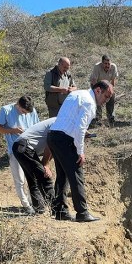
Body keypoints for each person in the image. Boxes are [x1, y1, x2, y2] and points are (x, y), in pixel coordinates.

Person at [47, 80, 114, 222]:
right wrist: (80, 152)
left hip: (53, 136)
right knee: (77, 174)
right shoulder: (90, 103)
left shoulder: (78, 94)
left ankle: (60, 211)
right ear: (98, 90)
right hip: (65, 140)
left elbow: (71, 119)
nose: (106, 100)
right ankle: (82, 213)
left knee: (62, 175)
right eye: (106, 96)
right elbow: (80, 129)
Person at [0, 95, 40, 215]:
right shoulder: (6, 110)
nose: (25, 114)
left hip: (30, 149)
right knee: (20, 179)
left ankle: (35, 202)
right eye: (23, 111)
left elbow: (37, 127)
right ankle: (26, 205)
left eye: (27, 112)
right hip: (14, 150)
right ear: (18, 105)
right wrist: (13, 130)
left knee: (33, 177)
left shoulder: (32, 111)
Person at [11, 117, 57, 214]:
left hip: (20, 147)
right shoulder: (59, 122)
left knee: (33, 179)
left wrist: (45, 163)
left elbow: (53, 148)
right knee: (45, 177)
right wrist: (45, 164)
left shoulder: (60, 121)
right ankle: (57, 210)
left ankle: (39, 209)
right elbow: (50, 143)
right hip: (24, 147)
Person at [89, 54, 119, 126]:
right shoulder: (97, 67)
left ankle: (110, 117)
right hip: (97, 85)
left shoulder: (113, 67)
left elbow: (113, 79)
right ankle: (98, 118)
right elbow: (94, 81)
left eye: (109, 64)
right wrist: (99, 92)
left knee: (111, 97)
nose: (107, 65)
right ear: (102, 63)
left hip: (107, 86)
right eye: (105, 63)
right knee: (97, 99)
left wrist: (111, 90)